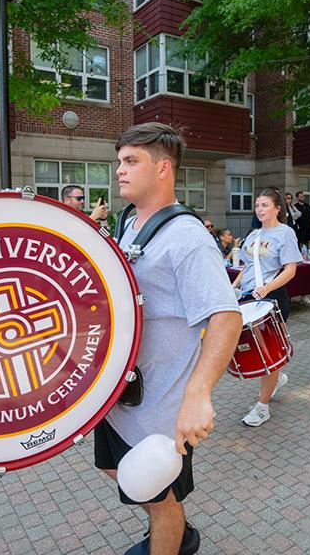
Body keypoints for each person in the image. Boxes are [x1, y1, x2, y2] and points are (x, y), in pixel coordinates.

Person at [98, 122, 242, 555]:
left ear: (163, 168)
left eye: (131, 161)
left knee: (160, 502)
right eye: (119, 161)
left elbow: (226, 317)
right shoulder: (128, 221)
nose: (120, 170)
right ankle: (177, 531)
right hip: (120, 399)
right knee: (121, 473)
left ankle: (174, 536)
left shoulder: (188, 238)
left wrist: (198, 395)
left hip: (160, 408)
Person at [231, 187, 302, 427]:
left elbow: (290, 270)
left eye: (265, 205)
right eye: (258, 205)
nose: (260, 209)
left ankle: (262, 407)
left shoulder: (285, 233)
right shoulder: (253, 235)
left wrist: (268, 288)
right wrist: (233, 287)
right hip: (250, 298)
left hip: (273, 298)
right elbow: (246, 267)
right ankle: (276, 378)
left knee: (268, 354)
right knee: (256, 350)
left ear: (277, 208)